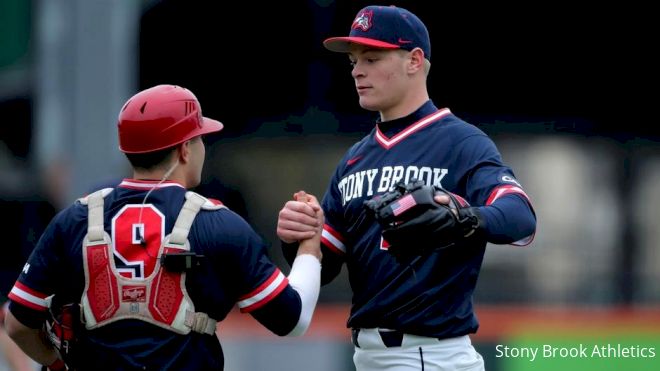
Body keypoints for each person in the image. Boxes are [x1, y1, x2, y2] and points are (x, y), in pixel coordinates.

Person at [277, 5, 536, 371]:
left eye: (371, 58)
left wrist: (464, 216)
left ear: (414, 60)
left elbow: (520, 216)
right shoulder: (354, 159)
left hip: (429, 354)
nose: (357, 71)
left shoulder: (461, 142)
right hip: (367, 356)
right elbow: (327, 263)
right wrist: (299, 236)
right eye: (353, 61)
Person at [4, 84, 324, 370]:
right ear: (185, 148)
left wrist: (55, 359)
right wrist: (310, 244)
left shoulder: (74, 219)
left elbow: (17, 323)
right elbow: (292, 320)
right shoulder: (219, 223)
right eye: (200, 138)